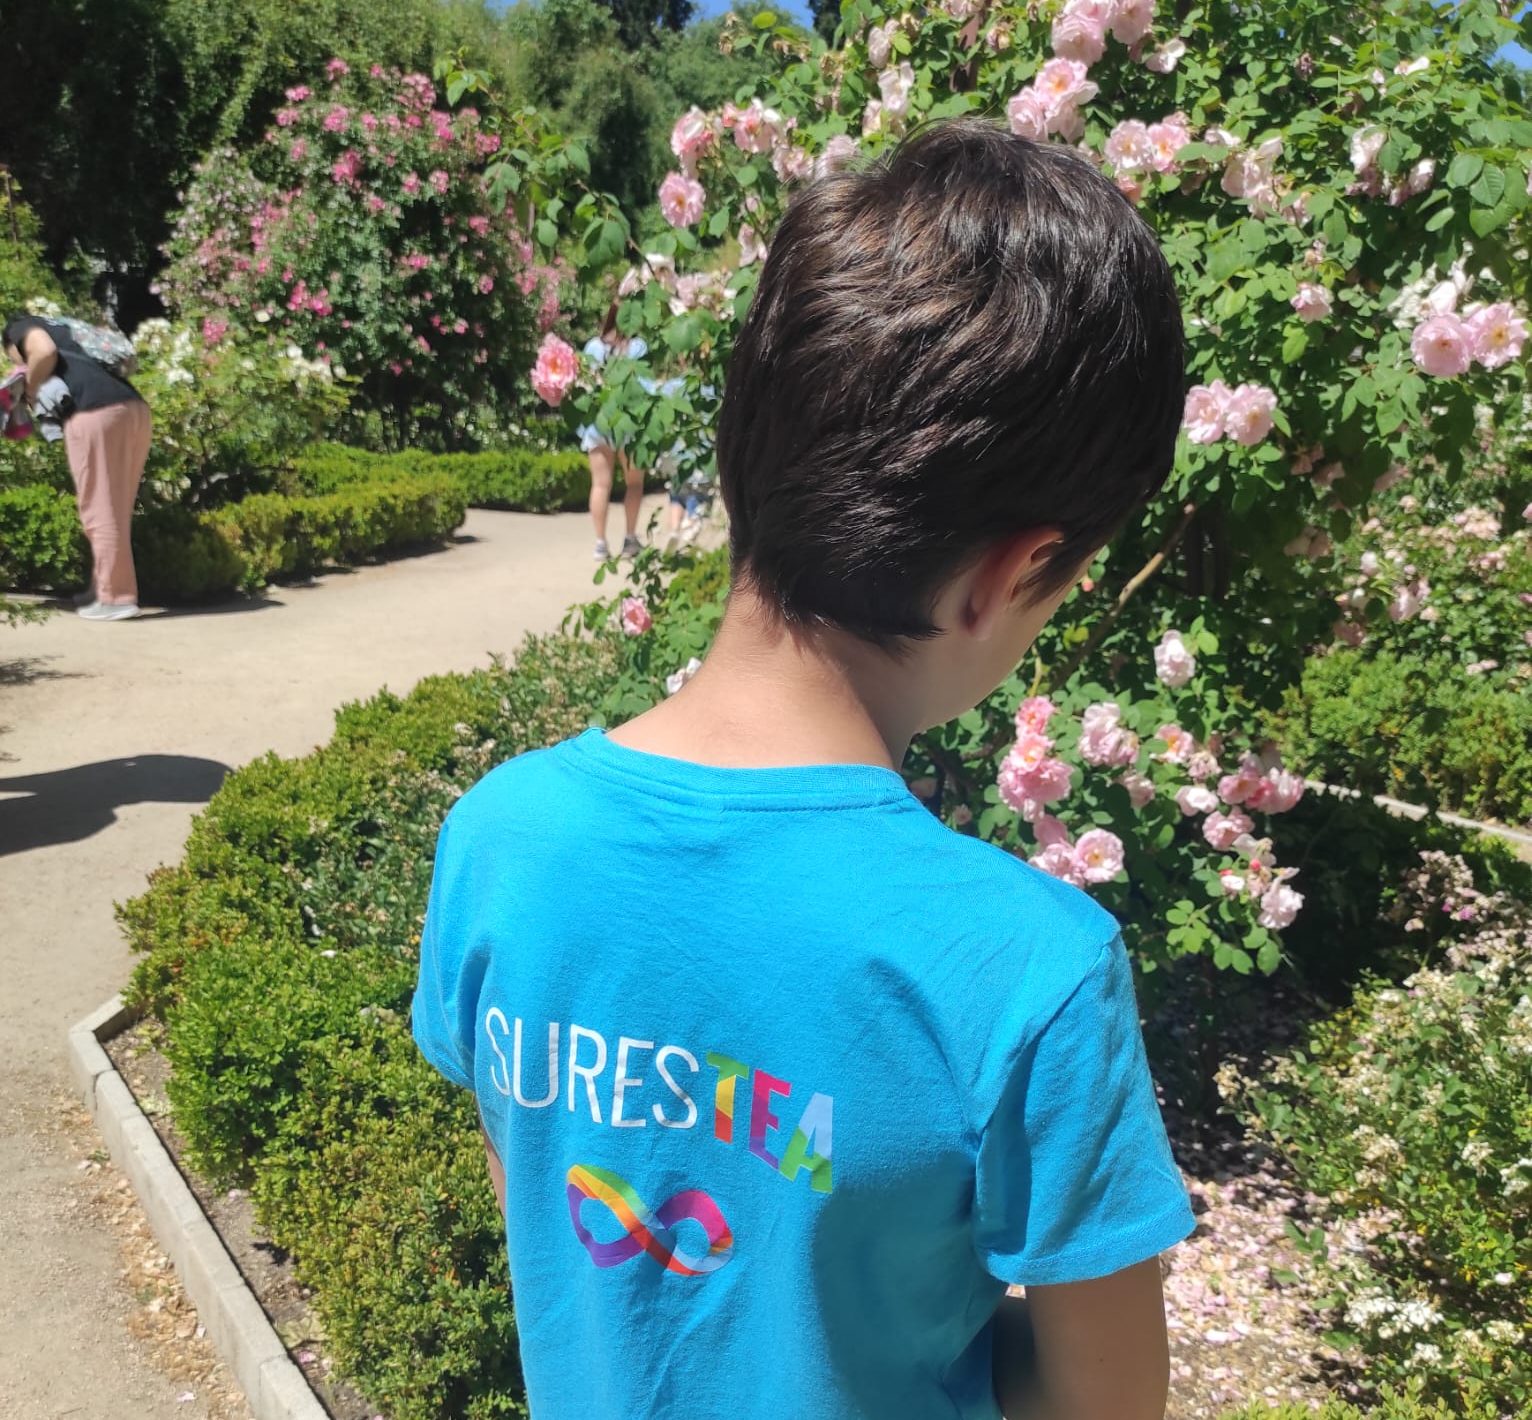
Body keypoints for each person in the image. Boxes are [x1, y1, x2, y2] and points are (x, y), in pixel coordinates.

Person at [413, 120, 1191, 1420]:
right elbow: (1100, 1405)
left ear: (744, 450)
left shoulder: (499, 838)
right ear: (1008, 576)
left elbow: (553, 1224)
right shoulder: (1029, 973)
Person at [3, 314, 151, 621]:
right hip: (134, 409)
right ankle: (102, 588)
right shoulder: (67, 332)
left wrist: (29, 388)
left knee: (99, 508)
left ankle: (116, 598)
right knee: (116, 508)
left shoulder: (20, 327)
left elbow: (43, 351)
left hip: (94, 412)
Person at [577, 305, 648, 561]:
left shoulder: (593, 347)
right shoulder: (637, 347)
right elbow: (645, 386)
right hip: (629, 424)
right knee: (634, 483)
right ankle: (629, 538)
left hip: (599, 423)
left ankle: (600, 543)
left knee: (600, 485)